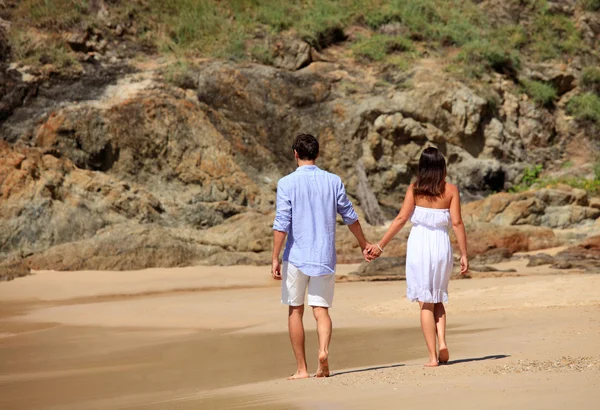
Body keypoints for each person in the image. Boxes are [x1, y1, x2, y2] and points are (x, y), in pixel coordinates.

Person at [272, 133, 370, 379]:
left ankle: (301, 369)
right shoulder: (333, 181)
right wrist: (363, 243)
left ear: (295, 154)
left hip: (296, 256)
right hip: (324, 256)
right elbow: (350, 215)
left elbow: (282, 223)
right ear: (317, 154)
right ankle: (323, 351)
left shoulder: (286, 183)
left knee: (296, 310)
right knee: (321, 310)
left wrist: (275, 256)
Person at [365, 147, 468, 367]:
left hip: (419, 245)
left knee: (425, 303)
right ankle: (442, 342)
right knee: (438, 297)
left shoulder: (415, 189)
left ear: (421, 167)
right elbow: (458, 223)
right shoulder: (451, 190)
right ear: (442, 167)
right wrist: (464, 254)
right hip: (441, 244)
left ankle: (432, 357)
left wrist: (380, 246)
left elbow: (401, 218)